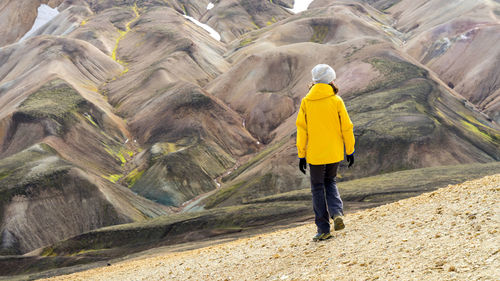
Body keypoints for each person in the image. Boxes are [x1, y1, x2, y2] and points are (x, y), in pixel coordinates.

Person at [296, 64, 355, 241]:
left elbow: (302, 130)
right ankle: (337, 212)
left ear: (314, 81)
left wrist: (301, 154)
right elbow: (347, 127)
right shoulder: (336, 100)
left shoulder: (306, 102)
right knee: (330, 181)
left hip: (315, 154)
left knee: (317, 188)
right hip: (334, 152)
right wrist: (350, 150)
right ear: (331, 80)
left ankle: (323, 229)